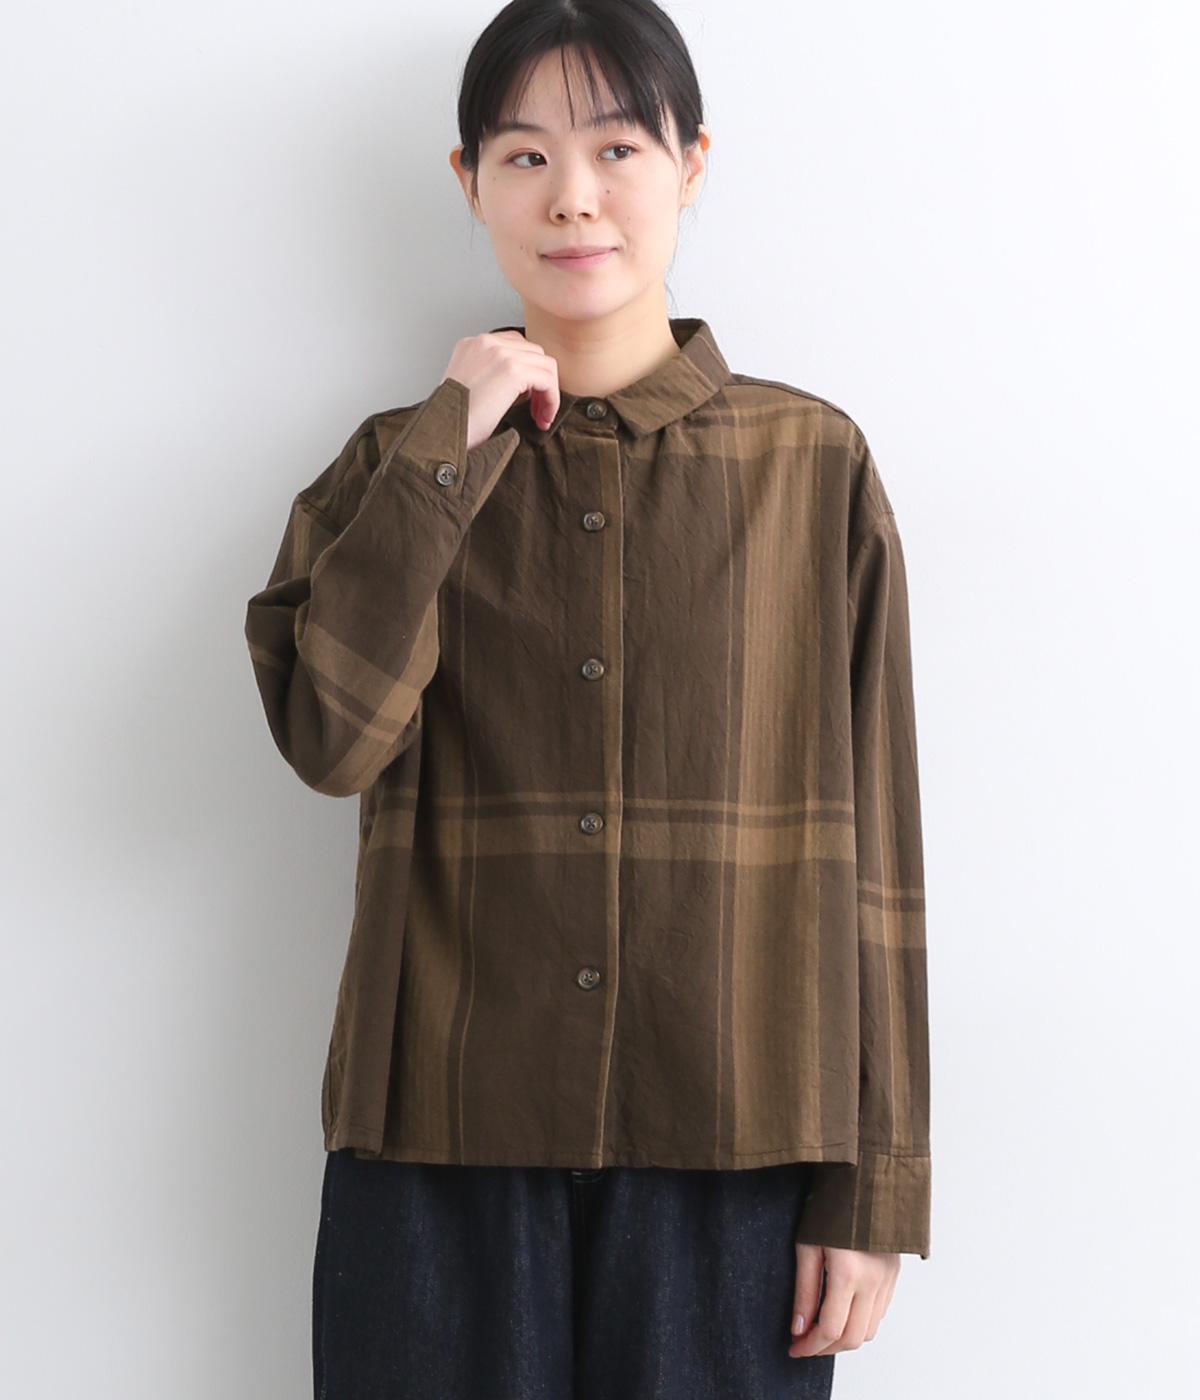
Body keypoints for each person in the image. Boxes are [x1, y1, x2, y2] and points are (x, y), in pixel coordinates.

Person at [243, 2, 931, 1396]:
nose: (572, 196)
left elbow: (880, 854)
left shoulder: (812, 467)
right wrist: (448, 452)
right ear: (469, 182)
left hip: (735, 1153)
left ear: (691, 164)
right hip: (438, 1143)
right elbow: (330, 740)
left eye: (617, 147)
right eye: (524, 155)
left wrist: (878, 1188)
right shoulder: (393, 468)